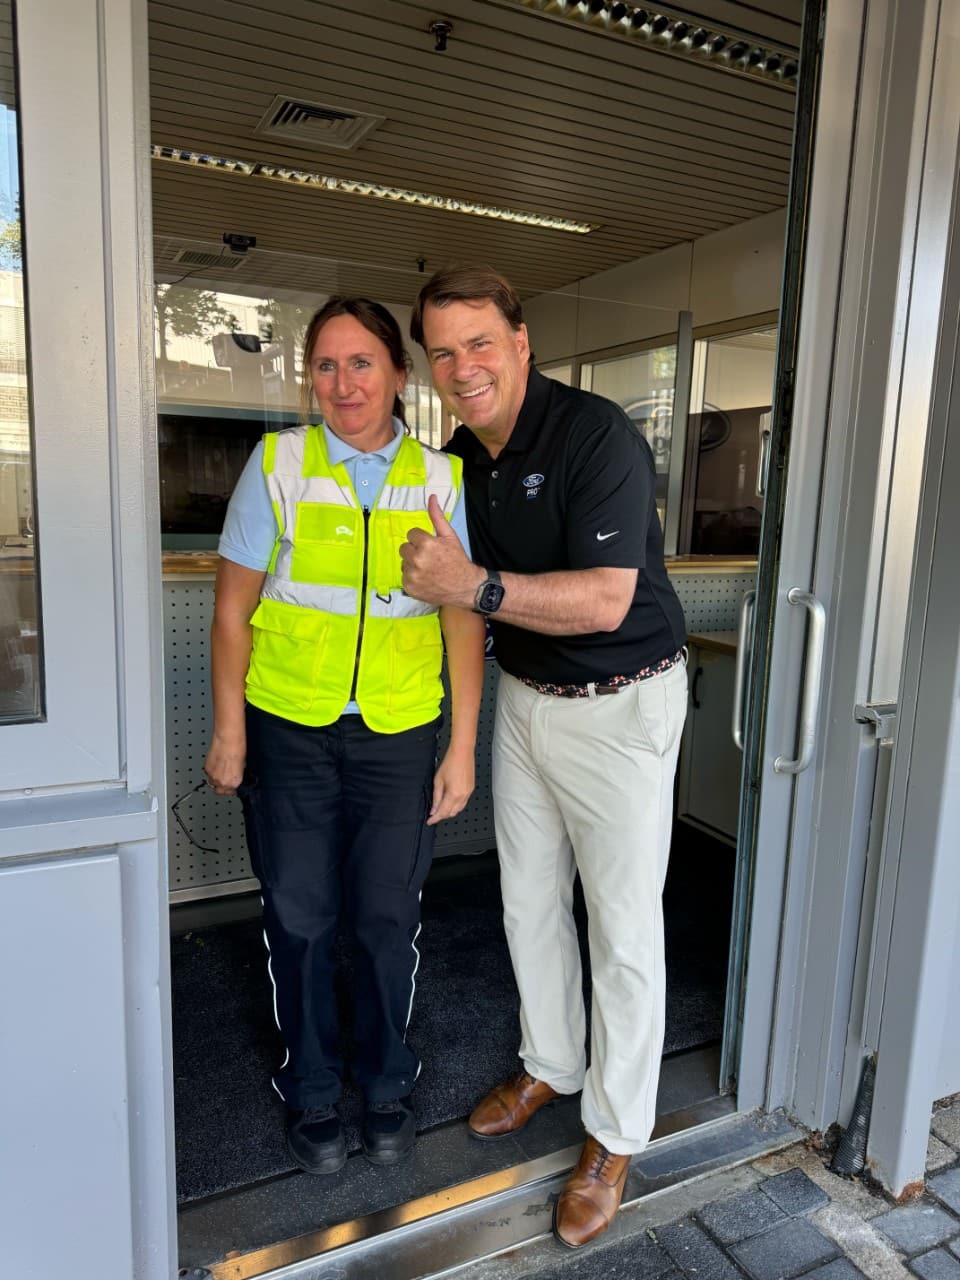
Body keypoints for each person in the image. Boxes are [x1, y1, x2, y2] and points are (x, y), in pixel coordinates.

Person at [401, 267, 688, 1248]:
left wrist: (470, 584)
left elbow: (606, 599)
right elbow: (454, 596)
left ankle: (615, 1131)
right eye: (442, 351)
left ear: (521, 341)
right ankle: (552, 1062)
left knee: (621, 923)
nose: (461, 366)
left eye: (479, 342)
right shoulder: (460, 457)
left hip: (621, 699)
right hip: (526, 698)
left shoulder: (596, 434)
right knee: (526, 899)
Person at [204, 297, 485, 1175]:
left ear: (400, 375)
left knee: (385, 917)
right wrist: (229, 733)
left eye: (361, 362)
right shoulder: (280, 463)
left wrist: (463, 744)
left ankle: (387, 1083)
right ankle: (314, 1086)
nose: (342, 383)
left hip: (398, 737)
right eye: (325, 366)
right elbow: (231, 610)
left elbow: (461, 622)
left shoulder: (441, 479)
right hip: (290, 731)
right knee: (300, 918)